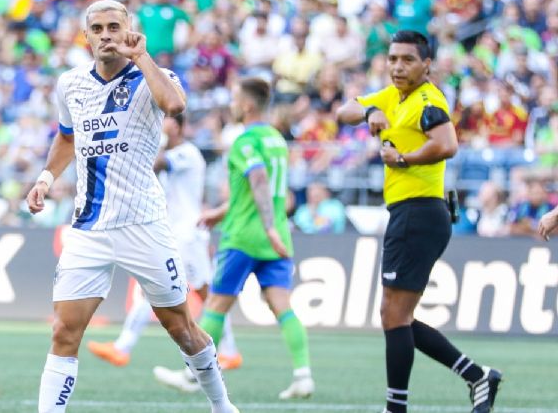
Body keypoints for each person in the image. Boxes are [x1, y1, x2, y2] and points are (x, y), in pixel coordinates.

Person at [25, 0, 238, 413]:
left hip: (144, 225)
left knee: (182, 328)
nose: (106, 36)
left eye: (114, 28)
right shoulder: (70, 84)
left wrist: (141, 57)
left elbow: (175, 106)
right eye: (98, 29)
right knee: (64, 332)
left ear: (128, 32)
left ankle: (222, 406)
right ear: (86, 37)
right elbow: (67, 136)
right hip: (88, 227)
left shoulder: (152, 75)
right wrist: (46, 177)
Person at [336, 30, 501, 413]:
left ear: (426, 65)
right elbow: (343, 111)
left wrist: (404, 159)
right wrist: (368, 112)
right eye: (393, 59)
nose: (397, 66)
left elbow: (447, 144)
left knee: (394, 315)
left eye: (407, 60)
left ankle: (397, 407)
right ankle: (477, 376)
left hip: (419, 212)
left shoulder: (428, 100)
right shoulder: (392, 96)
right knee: (396, 315)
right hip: (410, 212)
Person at [153, 78, 315, 401]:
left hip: (244, 236)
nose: (232, 104)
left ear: (247, 105)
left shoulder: (244, 142)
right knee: (281, 306)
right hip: (276, 236)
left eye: (235, 99)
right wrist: (222, 212)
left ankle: (190, 375)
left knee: (216, 304)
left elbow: (257, 179)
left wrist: (263, 225)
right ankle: (303, 375)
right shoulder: (276, 139)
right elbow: (258, 191)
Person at [85, 114, 243, 371]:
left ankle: (229, 351)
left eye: (166, 121)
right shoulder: (176, 153)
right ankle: (122, 347)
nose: (161, 126)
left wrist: (155, 141)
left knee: (206, 293)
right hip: (171, 232)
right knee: (151, 288)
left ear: (178, 126)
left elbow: (155, 164)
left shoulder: (187, 153)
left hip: (188, 234)